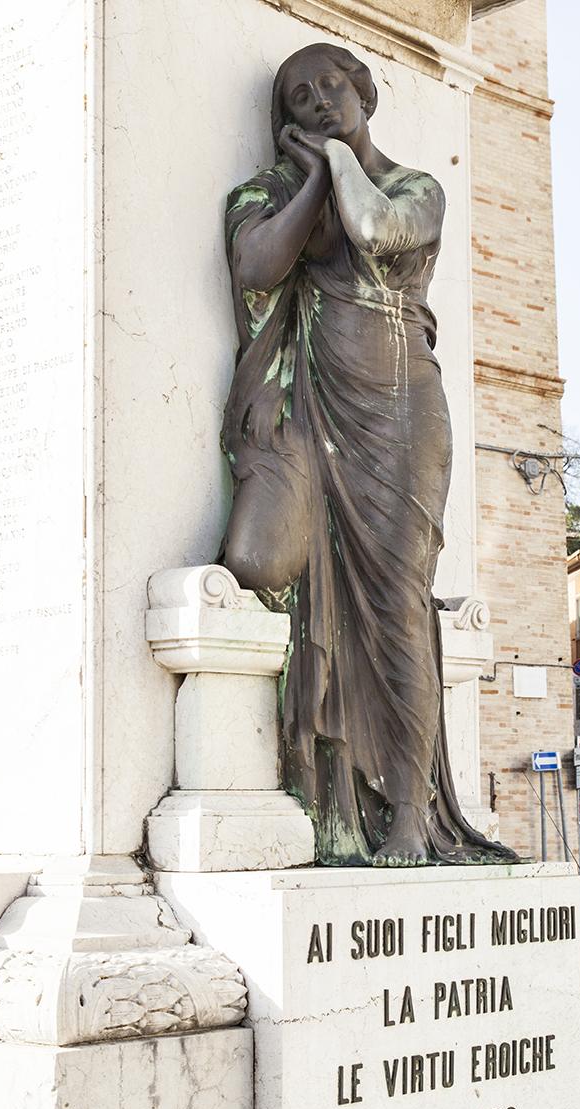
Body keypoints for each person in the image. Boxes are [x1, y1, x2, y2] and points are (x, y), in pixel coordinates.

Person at [221, 42, 515, 868]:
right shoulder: (280, 194)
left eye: (332, 87)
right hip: (313, 416)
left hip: (403, 417)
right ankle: (331, 781)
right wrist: (314, 175)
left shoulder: (416, 186)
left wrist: (340, 163)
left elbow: (377, 231)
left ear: (366, 94)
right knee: (258, 558)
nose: (317, 103)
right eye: (298, 97)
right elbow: (253, 264)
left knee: (396, 605)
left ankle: (412, 814)